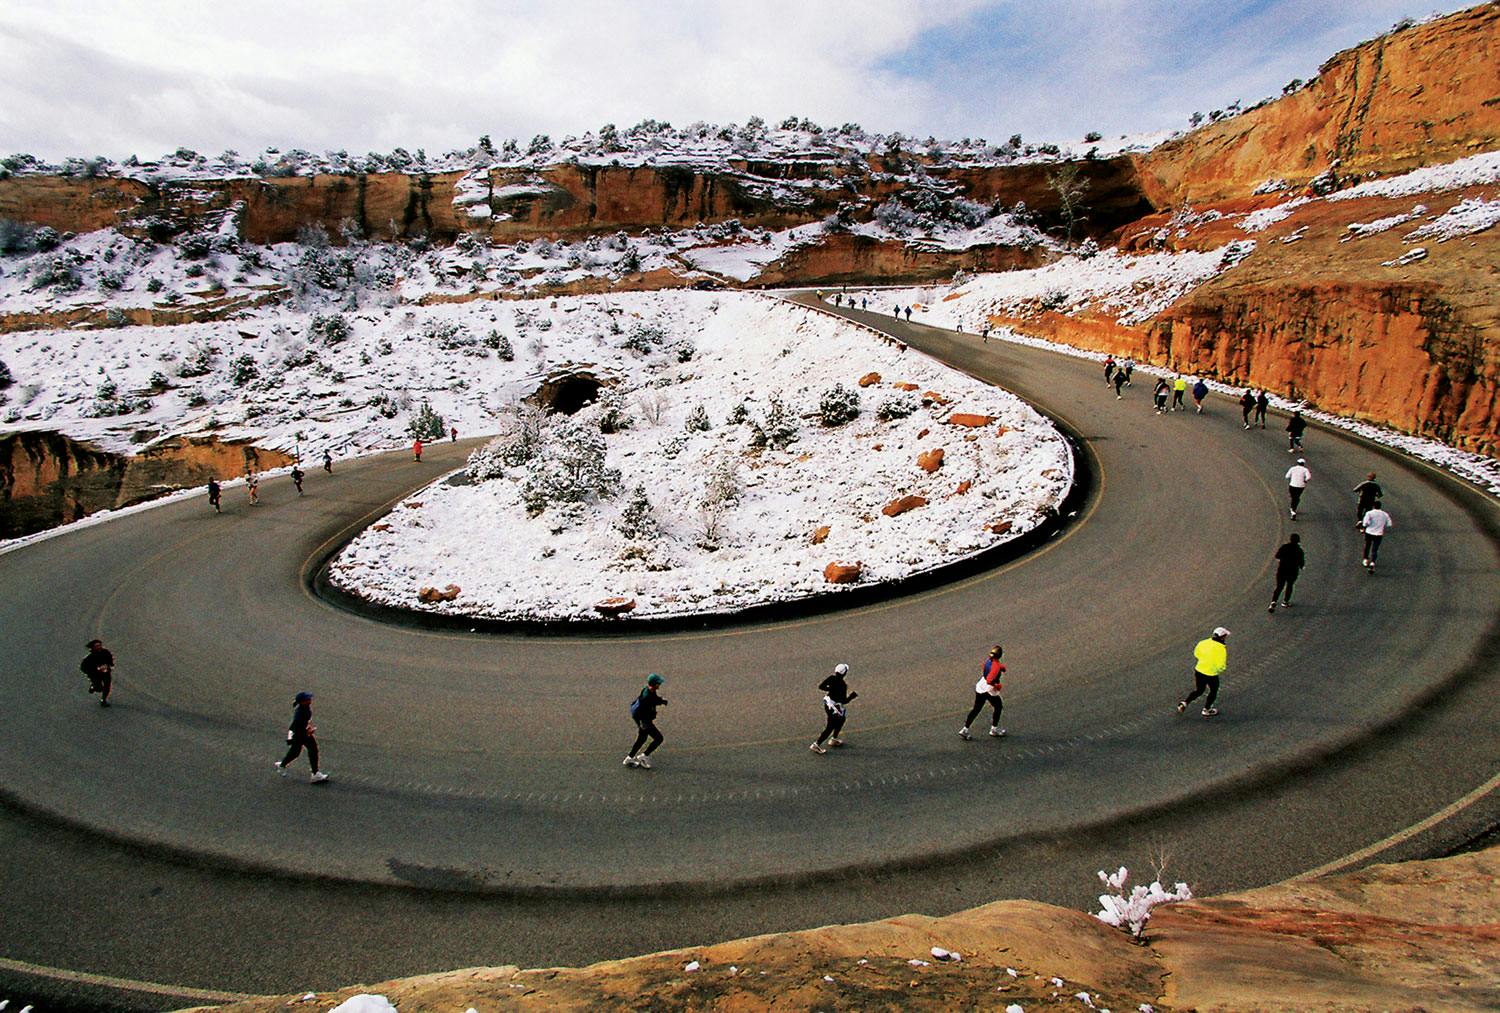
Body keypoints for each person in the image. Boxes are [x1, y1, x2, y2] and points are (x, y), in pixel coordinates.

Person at [275, 691, 328, 783]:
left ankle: (282, 764)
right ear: (302, 702)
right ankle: (315, 774)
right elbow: (295, 726)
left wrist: (308, 727)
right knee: (312, 750)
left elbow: (305, 721)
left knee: (295, 752)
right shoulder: (300, 713)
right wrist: (308, 731)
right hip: (300, 734)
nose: (310, 699)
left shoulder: (305, 708)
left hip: (301, 734)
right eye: (307, 699)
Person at [1177, 627, 1229, 717]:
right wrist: (1218, 670)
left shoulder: (1203, 643)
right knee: (1213, 691)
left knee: (1199, 690)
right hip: (1211, 674)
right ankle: (1207, 709)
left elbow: (1196, 653)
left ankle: (1185, 703)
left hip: (1199, 670)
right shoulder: (1221, 649)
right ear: (1222, 637)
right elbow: (1222, 664)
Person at [959, 645, 1007, 739]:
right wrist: (997, 685)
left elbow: (985, 666)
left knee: (976, 708)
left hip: (981, 685)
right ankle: (994, 729)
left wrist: (1001, 667)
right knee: (998, 706)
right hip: (989, 689)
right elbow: (990, 680)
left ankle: (965, 729)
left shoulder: (989, 660)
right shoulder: (996, 666)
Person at [810, 663, 858, 754]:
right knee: (831, 726)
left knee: (841, 719)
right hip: (833, 706)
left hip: (829, 702)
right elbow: (844, 701)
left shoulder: (831, 678)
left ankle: (834, 739)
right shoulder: (842, 685)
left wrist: (830, 689)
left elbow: (821, 686)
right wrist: (852, 696)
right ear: (844, 674)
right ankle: (816, 744)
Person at [624, 673, 668, 768]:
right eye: (658, 683)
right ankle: (643, 756)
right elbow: (652, 701)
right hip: (644, 720)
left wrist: (661, 701)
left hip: (642, 719)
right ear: (654, 684)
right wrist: (661, 702)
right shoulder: (648, 696)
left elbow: (655, 699)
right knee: (659, 738)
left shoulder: (647, 690)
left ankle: (629, 758)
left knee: (642, 738)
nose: (659, 685)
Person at [1269, 533, 1305, 611]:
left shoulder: (1284, 547)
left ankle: (1273, 601)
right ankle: (1285, 602)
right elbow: (1301, 562)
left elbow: (1277, 556)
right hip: (1292, 571)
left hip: (1282, 570)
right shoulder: (1299, 550)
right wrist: (1301, 566)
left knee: (1279, 586)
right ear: (1298, 541)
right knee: (1289, 585)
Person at [1358, 500, 1393, 571]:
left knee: (1367, 546)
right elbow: (1389, 524)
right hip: (1379, 534)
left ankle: (1365, 559)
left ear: (1373, 506)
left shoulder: (1369, 513)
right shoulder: (1385, 514)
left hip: (1369, 532)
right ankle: (1373, 562)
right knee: (1375, 549)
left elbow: (1365, 523)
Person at [79, 639, 113, 707]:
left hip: (105, 672)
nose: (99, 647)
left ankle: (103, 700)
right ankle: (94, 687)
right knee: (99, 688)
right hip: (95, 675)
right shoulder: (89, 658)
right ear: (93, 647)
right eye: (97, 646)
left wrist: (109, 666)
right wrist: (95, 670)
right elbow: (83, 668)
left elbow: (110, 660)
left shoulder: (105, 652)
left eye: (100, 645)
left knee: (107, 686)